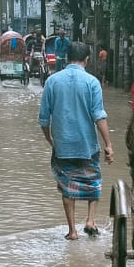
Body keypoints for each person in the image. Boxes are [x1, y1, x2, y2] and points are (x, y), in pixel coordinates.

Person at [39, 41, 114, 240]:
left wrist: (51, 141)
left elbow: (44, 119)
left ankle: (72, 231)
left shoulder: (52, 82)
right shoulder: (92, 82)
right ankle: (90, 220)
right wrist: (108, 144)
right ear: (87, 60)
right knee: (93, 181)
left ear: (66, 58)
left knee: (67, 186)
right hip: (87, 145)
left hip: (63, 145)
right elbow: (99, 116)